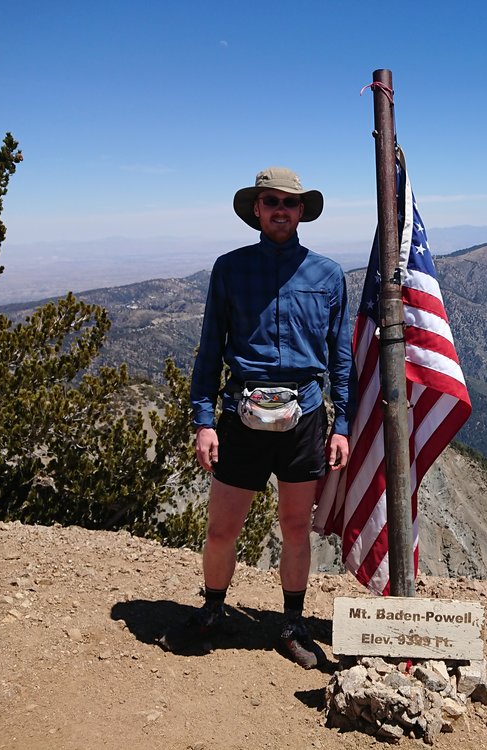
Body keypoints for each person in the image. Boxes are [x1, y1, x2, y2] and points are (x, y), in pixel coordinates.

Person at [160, 167, 351, 668]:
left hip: (305, 416)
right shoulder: (230, 269)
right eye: (271, 201)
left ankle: (292, 625)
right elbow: (210, 349)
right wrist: (204, 421)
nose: (280, 210)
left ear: (302, 211)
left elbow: (341, 356)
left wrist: (342, 425)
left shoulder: (328, 275)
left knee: (295, 526)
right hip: (240, 416)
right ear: (257, 210)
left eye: (289, 202)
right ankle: (211, 611)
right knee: (221, 528)